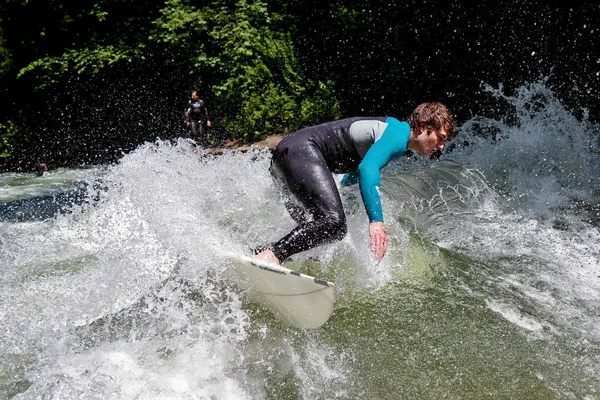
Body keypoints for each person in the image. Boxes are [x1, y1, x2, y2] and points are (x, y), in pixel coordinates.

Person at [253, 102, 456, 265]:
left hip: (287, 156)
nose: (441, 146)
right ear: (424, 128)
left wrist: (349, 205)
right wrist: (376, 223)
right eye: (441, 138)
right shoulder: (396, 135)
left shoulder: (393, 136)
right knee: (333, 223)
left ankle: (261, 253)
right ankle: (273, 255)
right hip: (300, 152)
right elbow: (367, 169)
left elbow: (353, 176)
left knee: (322, 228)